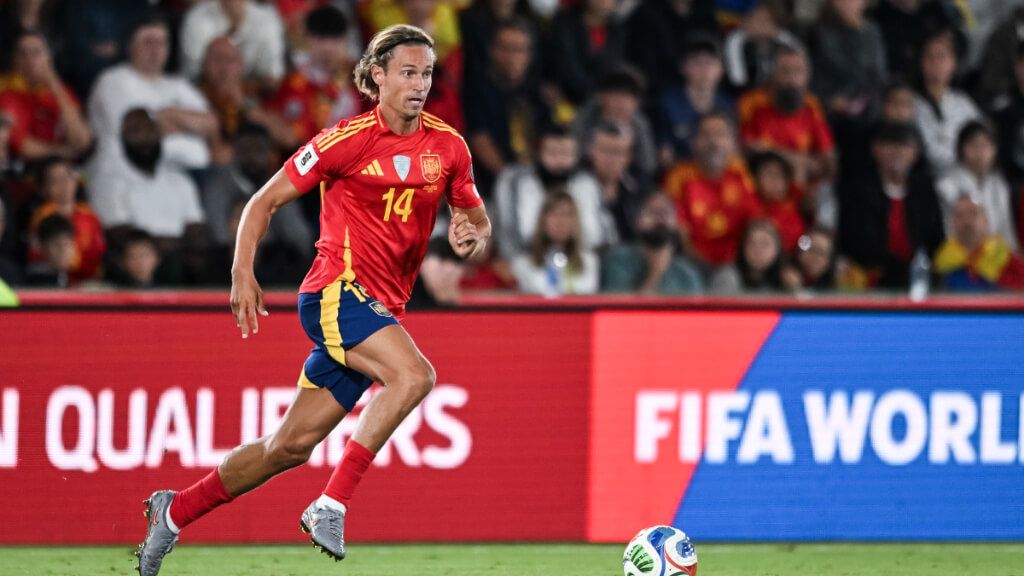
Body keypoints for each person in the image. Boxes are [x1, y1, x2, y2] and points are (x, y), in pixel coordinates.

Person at [135, 24, 491, 576]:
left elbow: (473, 213)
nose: (420, 84)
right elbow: (262, 201)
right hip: (334, 292)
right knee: (415, 377)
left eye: (426, 73)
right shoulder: (345, 140)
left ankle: (173, 512)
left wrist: (473, 233)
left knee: (288, 447)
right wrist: (241, 272)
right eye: (407, 72)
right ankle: (331, 503)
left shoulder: (448, 146)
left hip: (381, 311)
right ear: (377, 76)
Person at [87, 15, 216, 180]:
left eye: (162, 43)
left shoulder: (178, 84)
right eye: (148, 42)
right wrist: (186, 127)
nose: (156, 50)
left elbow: (211, 124)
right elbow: (138, 134)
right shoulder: (113, 81)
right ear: (130, 46)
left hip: (177, 176)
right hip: (124, 174)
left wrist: (170, 114)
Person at [838, 122, 945, 289]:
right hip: (871, 280)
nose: (898, 152)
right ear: (875, 149)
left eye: (905, 146)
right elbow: (859, 242)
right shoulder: (858, 191)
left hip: (920, 278)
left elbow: (935, 237)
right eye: (890, 145)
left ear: (916, 153)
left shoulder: (924, 191)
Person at [663, 112, 763, 279]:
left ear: (732, 143)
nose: (713, 142)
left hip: (736, 266)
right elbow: (680, 235)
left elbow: (755, 221)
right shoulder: (678, 176)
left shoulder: (740, 174)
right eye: (706, 135)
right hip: (691, 266)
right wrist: (705, 269)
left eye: (720, 134)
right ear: (694, 142)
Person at [492, 125, 613, 258]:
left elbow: (600, 237)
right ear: (538, 153)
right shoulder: (516, 182)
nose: (560, 161)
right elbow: (510, 237)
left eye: (566, 153)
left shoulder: (587, 185)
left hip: (582, 264)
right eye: (553, 153)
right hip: (527, 262)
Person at [267, 5, 361, 144]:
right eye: (320, 38)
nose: (327, 48)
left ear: (345, 41)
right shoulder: (292, 80)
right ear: (306, 39)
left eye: (335, 38)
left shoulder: (359, 77)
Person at [0, 31, 92, 161]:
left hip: (64, 169)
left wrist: (55, 87)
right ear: (15, 60)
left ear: (48, 57)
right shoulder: (7, 92)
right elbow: (19, 144)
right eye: (23, 54)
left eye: (36, 52)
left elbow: (82, 141)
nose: (29, 60)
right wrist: (60, 151)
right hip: (28, 171)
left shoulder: (62, 91)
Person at [936, 121, 1018, 251]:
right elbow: (950, 229)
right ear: (961, 149)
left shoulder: (998, 183)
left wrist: (1011, 254)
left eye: (986, 146)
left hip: (995, 253)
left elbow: (1005, 226)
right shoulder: (946, 185)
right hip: (961, 253)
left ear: (995, 150)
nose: (980, 152)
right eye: (974, 146)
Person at [601, 192, 703, 294]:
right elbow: (619, 308)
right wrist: (656, 271)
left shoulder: (686, 272)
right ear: (637, 221)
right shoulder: (618, 260)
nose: (660, 219)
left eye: (666, 212)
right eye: (652, 212)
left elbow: (697, 308)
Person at [657, 34, 734, 166]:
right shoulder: (667, 104)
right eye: (697, 63)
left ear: (721, 69)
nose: (704, 70)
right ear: (683, 67)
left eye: (710, 63)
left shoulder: (728, 105)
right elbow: (665, 156)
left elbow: (733, 152)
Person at [913, 29, 980, 177]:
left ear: (953, 64)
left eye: (942, 57)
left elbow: (978, 139)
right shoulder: (911, 103)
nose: (936, 63)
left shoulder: (964, 104)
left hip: (962, 178)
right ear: (921, 63)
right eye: (930, 57)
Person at [27, 157, 106, 282]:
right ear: (43, 189)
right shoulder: (42, 217)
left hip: (91, 282)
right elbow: (38, 257)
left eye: (67, 176)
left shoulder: (89, 214)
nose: (63, 183)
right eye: (55, 181)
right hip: (55, 282)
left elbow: (99, 252)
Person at [179, 0, 286, 88]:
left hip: (253, 96)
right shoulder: (197, 18)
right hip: (202, 96)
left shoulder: (267, 21)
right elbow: (194, 76)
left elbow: (273, 79)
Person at [510, 190, 598, 295]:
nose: (560, 221)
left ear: (575, 221)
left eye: (567, 215)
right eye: (554, 214)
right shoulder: (522, 264)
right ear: (542, 220)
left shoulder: (589, 262)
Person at [933, 196, 1024, 291]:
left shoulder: (1006, 258)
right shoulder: (942, 263)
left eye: (973, 213)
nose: (966, 221)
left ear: (986, 221)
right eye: (959, 215)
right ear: (952, 224)